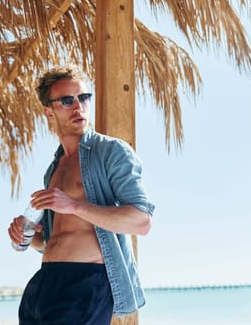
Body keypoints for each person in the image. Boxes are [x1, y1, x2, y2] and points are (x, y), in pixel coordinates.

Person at [8, 66, 155, 324]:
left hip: (86, 284)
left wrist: (75, 206)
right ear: (48, 110)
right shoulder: (54, 169)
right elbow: (52, 241)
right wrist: (27, 235)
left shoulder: (111, 152)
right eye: (66, 100)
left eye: (84, 97)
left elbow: (141, 222)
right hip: (44, 282)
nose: (78, 107)